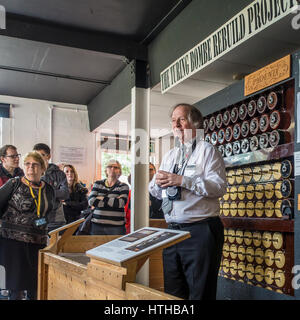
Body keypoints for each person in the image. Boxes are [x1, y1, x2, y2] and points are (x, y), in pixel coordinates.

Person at [149, 103, 227, 300]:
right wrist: (158, 183)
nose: (176, 124)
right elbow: (155, 192)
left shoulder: (207, 151)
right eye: (173, 120)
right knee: (173, 294)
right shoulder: (170, 156)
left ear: (195, 123)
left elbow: (219, 187)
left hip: (200, 231)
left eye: (181, 119)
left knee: (200, 294)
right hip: (172, 231)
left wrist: (183, 180)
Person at [0, 151, 55, 300]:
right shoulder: (14, 184)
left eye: (35, 165)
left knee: (36, 287)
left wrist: (39, 224)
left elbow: (49, 214)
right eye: (27, 164)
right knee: (15, 288)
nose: (31, 168)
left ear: (43, 168)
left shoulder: (48, 189)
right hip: (13, 244)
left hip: (38, 244)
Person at [33, 143, 69, 231]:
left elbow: (64, 194)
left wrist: (44, 190)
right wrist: (55, 192)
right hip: (38, 220)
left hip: (56, 220)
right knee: (40, 244)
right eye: (36, 155)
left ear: (48, 156)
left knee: (58, 244)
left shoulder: (59, 174)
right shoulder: (31, 173)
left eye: (41, 155)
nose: (39, 158)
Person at [88, 159, 129, 235]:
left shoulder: (123, 186)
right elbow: (91, 201)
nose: (112, 169)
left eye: (116, 167)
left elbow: (121, 203)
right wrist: (113, 201)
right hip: (97, 225)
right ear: (106, 170)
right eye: (110, 167)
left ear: (119, 172)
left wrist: (102, 198)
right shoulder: (98, 184)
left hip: (116, 227)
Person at [124, 163, 163, 234]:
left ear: (155, 172)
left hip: (158, 223)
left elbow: (162, 205)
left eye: (150, 170)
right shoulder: (138, 189)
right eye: (146, 170)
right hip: (140, 224)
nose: (148, 172)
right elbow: (130, 206)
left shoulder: (160, 187)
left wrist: (151, 204)